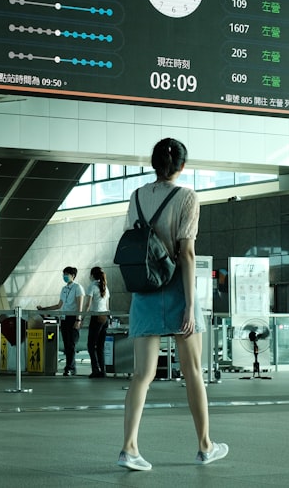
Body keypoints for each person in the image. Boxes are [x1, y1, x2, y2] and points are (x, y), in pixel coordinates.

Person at [117, 138, 228, 471]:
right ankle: (205, 445)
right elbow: (188, 252)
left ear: (154, 165)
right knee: (193, 371)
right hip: (177, 288)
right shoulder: (187, 197)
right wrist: (191, 306)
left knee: (141, 375)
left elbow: (131, 241)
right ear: (182, 166)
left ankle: (129, 448)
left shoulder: (137, 197)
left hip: (145, 290)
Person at [37, 266, 85, 376]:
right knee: (67, 344)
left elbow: (80, 305)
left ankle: (69, 367)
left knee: (72, 344)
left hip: (73, 318)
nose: (64, 276)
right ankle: (71, 367)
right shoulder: (64, 289)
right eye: (64, 274)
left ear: (73, 276)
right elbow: (59, 305)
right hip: (64, 318)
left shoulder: (78, 288)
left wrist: (78, 319)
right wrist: (44, 309)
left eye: (67, 274)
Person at [83, 266, 110, 378]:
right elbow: (107, 305)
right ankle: (102, 371)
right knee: (100, 346)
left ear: (92, 275)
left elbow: (88, 305)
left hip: (96, 317)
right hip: (105, 317)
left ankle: (95, 370)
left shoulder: (92, 286)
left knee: (90, 345)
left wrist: (81, 317)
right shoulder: (105, 287)